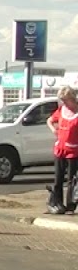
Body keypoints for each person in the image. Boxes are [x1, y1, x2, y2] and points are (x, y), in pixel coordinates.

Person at [46, 86, 78, 214]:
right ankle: (57, 203)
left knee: (72, 179)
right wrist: (53, 129)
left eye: (65, 100)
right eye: (62, 100)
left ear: (72, 98)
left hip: (74, 150)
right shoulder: (61, 110)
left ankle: (71, 205)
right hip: (60, 148)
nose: (64, 103)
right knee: (58, 178)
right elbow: (50, 120)